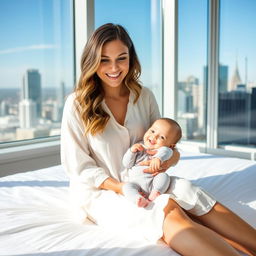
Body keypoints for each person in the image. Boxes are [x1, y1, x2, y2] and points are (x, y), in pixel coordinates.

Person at [61, 23, 256, 256]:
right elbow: (78, 168)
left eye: (121, 58)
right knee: (169, 209)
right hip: (102, 191)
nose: (114, 67)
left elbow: (168, 145)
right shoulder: (76, 104)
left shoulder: (144, 96)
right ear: (92, 61)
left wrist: (167, 160)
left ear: (131, 59)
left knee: (189, 191)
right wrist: (122, 188)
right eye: (104, 60)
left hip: (148, 181)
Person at [122, 118, 182, 207]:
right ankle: (138, 198)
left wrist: (158, 158)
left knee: (164, 177)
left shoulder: (163, 150)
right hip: (136, 184)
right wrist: (131, 151)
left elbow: (167, 151)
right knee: (127, 187)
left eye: (162, 137)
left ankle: (156, 192)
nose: (154, 136)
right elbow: (127, 164)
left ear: (171, 145)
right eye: (153, 131)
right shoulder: (139, 146)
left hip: (154, 181)